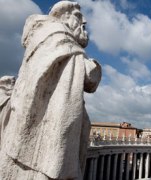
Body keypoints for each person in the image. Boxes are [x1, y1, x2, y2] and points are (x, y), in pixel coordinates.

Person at [0, 1, 101, 180]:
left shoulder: (41, 38)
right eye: (78, 16)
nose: (84, 21)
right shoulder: (59, 37)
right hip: (50, 120)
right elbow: (90, 78)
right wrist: (93, 66)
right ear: (66, 17)